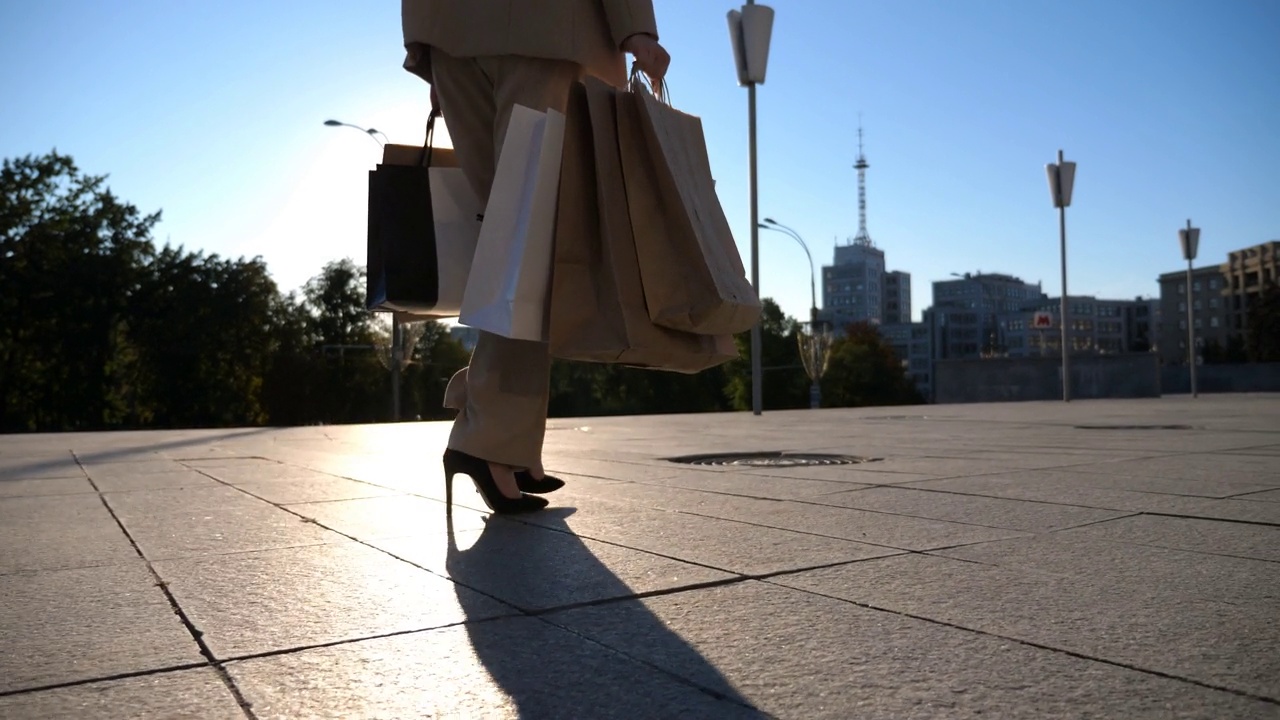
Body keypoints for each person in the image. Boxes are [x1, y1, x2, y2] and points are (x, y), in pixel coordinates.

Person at [401, 1, 670, 514]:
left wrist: (429, 50)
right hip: (546, 32)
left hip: (451, 35)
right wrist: (635, 28)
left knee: (513, 239)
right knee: (529, 239)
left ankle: (503, 433)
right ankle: (487, 439)